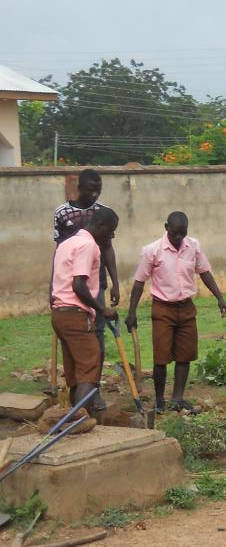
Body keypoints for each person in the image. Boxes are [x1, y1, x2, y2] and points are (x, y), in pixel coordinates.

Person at [125, 211, 226, 413]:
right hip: (163, 308)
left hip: (186, 308)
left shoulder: (194, 246)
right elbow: (139, 282)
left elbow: (205, 272)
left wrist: (220, 297)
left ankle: (177, 398)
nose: (178, 238)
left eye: (182, 233)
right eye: (174, 233)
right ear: (166, 228)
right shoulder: (153, 250)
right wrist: (132, 312)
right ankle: (159, 401)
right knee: (161, 357)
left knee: (185, 355)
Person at [52, 169, 119, 412]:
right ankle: (79, 416)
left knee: (75, 370)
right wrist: (102, 308)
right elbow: (79, 284)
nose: (111, 236)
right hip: (76, 313)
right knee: (91, 363)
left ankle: (75, 419)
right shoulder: (87, 245)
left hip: (59, 313)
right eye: (110, 231)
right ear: (100, 225)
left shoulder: (68, 243)